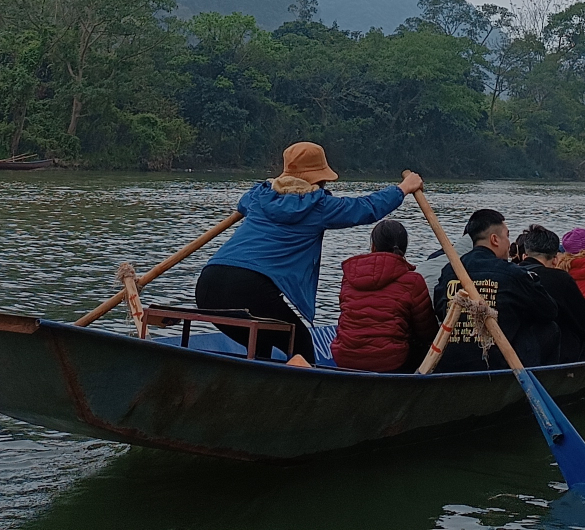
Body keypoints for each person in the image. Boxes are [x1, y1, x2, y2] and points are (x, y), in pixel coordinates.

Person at [196, 142, 422, 365]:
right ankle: (308, 394)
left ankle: (260, 387)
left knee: (263, 342)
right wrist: (403, 188)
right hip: (247, 286)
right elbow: (366, 208)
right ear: (319, 179)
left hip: (207, 283)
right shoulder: (319, 206)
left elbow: (243, 202)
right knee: (300, 340)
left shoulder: (258, 195)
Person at [429, 208, 558, 372]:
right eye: (507, 236)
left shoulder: (449, 271)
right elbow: (549, 311)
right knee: (550, 328)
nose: (508, 243)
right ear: (495, 239)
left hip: (451, 362)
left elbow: (440, 310)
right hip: (498, 363)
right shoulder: (513, 273)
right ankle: (545, 380)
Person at [334, 218, 437, 373]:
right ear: (404, 247)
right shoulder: (413, 281)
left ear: (373, 246)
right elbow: (427, 332)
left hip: (344, 357)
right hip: (392, 361)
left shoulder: (349, 277)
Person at [511, 225, 585, 364]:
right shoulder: (560, 279)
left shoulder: (508, 275)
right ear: (556, 259)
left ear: (525, 254)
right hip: (552, 360)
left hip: (512, 355)